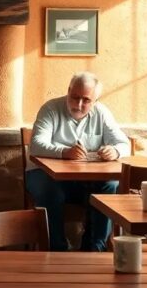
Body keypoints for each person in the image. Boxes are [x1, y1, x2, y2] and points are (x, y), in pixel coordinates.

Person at [27, 72, 131, 252]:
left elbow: (124, 144)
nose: (79, 104)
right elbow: (36, 145)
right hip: (44, 175)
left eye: (86, 100)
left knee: (110, 185)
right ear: (68, 91)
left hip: (85, 180)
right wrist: (64, 152)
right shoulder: (51, 109)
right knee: (49, 190)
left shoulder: (102, 113)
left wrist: (114, 151)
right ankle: (56, 250)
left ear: (95, 100)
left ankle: (94, 249)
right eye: (75, 97)